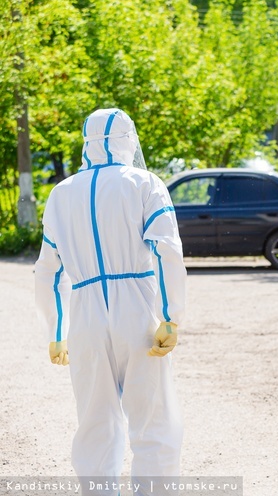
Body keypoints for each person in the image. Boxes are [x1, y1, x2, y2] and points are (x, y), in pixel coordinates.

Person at [34, 108, 186, 495]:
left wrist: (57, 329)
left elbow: (48, 270)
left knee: (95, 423)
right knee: (153, 419)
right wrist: (170, 316)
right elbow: (167, 251)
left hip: (84, 316)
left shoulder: (61, 194)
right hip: (138, 310)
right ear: (127, 139)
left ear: (87, 143)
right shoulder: (145, 183)